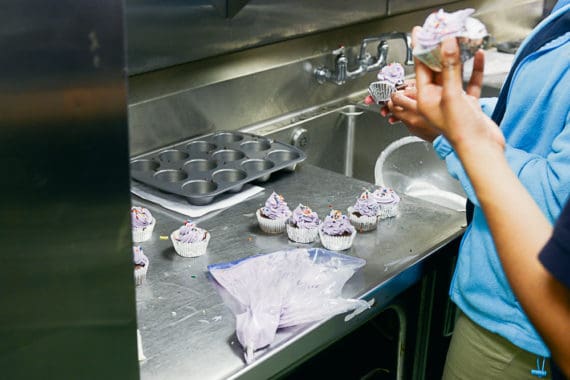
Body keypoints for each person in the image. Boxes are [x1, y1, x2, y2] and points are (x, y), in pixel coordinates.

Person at [381, 2, 570, 379]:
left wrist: (454, 135)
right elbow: (540, 114)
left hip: (521, 331)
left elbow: (555, 204)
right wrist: (464, 115)